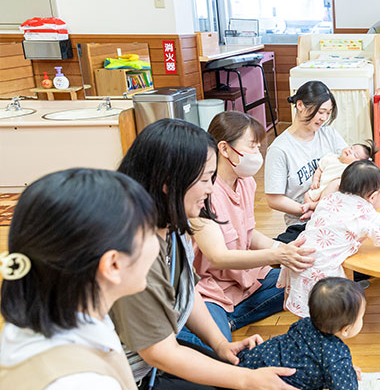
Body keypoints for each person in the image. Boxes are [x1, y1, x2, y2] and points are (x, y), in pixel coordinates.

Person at [112, 119, 297, 389]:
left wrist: (221, 345)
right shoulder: (135, 250)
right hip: (127, 377)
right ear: (168, 182)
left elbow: (187, 289)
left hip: (153, 360)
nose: (210, 189)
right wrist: (246, 379)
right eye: (203, 180)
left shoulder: (173, 227)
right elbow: (160, 353)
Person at [0, 169, 158, 389]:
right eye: (150, 232)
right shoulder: (83, 382)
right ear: (113, 264)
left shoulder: (44, 318)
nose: (157, 242)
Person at [177, 111, 317, 349]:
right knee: (212, 347)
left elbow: (247, 233)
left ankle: (232, 318)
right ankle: (221, 320)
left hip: (249, 277)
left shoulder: (246, 182)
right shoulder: (204, 192)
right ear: (224, 148)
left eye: (258, 147)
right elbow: (219, 257)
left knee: (310, 280)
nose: (258, 153)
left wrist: (283, 250)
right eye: (252, 146)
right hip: (213, 290)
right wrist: (277, 255)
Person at [279, 161, 380, 317]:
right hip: (322, 269)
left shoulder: (329, 198)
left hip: (297, 257)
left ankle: (299, 314)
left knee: (305, 304)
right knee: (329, 312)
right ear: (373, 196)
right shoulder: (365, 214)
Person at [239, 277, 366, 390]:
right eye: (361, 317)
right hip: (271, 382)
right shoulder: (337, 356)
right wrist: (344, 372)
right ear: (345, 329)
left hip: (251, 360)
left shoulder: (304, 323)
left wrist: (344, 369)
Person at [266, 81, 348, 243]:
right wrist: (311, 208)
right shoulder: (279, 149)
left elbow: (351, 165)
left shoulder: (329, 134)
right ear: (300, 105)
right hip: (303, 222)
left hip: (337, 212)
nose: (324, 118)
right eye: (321, 112)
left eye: (328, 113)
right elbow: (274, 199)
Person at [304, 142, 374, 214]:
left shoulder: (348, 169)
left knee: (328, 196)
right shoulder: (331, 157)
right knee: (307, 195)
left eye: (355, 155)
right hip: (319, 187)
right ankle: (310, 211)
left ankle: (313, 207)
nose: (350, 151)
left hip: (330, 193)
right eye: (351, 148)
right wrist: (315, 180)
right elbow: (319, 169)